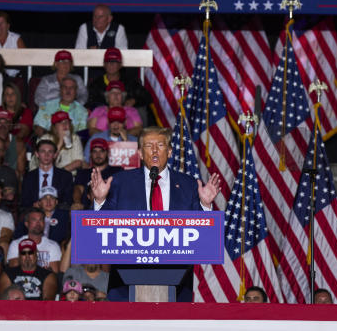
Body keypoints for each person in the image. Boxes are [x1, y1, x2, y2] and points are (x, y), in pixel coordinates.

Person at [90, 127, 220, 301]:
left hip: (177, 282)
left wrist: (205, 205)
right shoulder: (121, 182)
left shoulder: (188, 184)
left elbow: (202, 236)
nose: (155, 150)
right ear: (141, 154)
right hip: (125, 282)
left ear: (170, 151)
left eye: (160, 145)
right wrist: (99, 201)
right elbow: (102, 231)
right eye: (149, 146)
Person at [86, 48, 150, 110]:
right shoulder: (96, 84)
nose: (111, 64)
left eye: (115, 61)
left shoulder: (130, 82)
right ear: (104, 64)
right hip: (103, 117)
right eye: (108, 61)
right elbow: (90, 103)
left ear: (120, 65)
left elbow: (147, 97)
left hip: (127, 117)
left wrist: (134, 101)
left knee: (141, 110)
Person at [21, 137, 75, 208]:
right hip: (34, 213)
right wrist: (34, 205)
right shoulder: (29, 177)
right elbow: (24, 201)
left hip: (57, 214)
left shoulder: (65, 176)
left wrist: (52, 206)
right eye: (43, 151)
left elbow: (67, 201)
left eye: (50, 151)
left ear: (55, 155)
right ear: (37, 154)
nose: (46, 155)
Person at [6, 208, 63, 273]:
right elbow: (13, 270)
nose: (38, 223)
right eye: (34, 220)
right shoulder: (16, 244)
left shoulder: (53, 245)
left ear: (44, 223)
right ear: (27, 224)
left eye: (41, 220)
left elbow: (54, 273)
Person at [74, 138, 122, 208]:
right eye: (94, 151)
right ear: (90, 154)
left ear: (107, 153)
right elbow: (78, 189)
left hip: (113, 210)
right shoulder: (83, 173)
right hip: (88, 211)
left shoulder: (117, 171)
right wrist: (77, 203)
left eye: (102, 151)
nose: (98, 154)